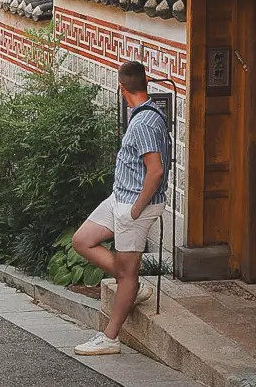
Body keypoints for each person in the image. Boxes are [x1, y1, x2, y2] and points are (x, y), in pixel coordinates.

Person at [72, 61, 172, 356]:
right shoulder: (145, 113)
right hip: (120, 197)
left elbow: (155, 170)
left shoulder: (144, 123)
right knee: (82, 240)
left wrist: (136, 210)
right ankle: (132, 285)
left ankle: (110, 337)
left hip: (133, 205)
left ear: (121, 87)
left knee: (127, 273)